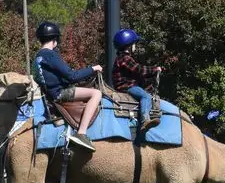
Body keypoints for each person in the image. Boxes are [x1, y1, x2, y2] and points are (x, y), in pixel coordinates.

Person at [31, 21, 103, 151]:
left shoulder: (37, 57)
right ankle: (81, 133)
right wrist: (93, 69)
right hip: (60, 93)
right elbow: (72, 76)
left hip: (49, 95)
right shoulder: (50, 54)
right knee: (96, 93)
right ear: (55, 39)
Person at [111, 28, 164, 134]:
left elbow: (136, 75)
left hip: (127, 85)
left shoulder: (121, 58)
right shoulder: (125, 59)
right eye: (134, 44)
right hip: (126, 87)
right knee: (146, 96)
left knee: (145, 91)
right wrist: (155, 69)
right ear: (130, 45)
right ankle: (145, 120)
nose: (135, 46)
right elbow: (139, 70)